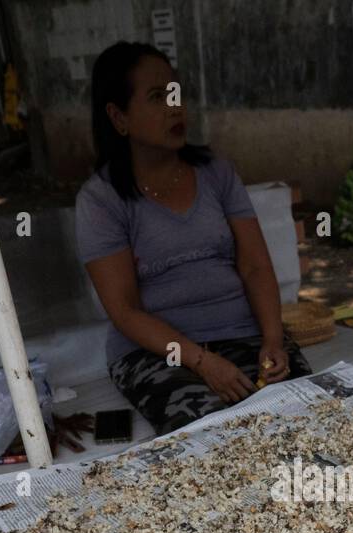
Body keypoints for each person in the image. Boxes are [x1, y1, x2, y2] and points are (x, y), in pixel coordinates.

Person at [77, 42, 312, 435]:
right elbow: (125, 310)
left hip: (243, 332)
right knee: (212, 434)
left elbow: (255, 266)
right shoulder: (101, 200)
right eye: (157, 97)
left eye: (175, 92)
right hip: (156, 353)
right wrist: (202, 362)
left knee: (305, 414)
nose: (175, 107)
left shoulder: (217, 173)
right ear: (119, 117)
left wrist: (273, 340)